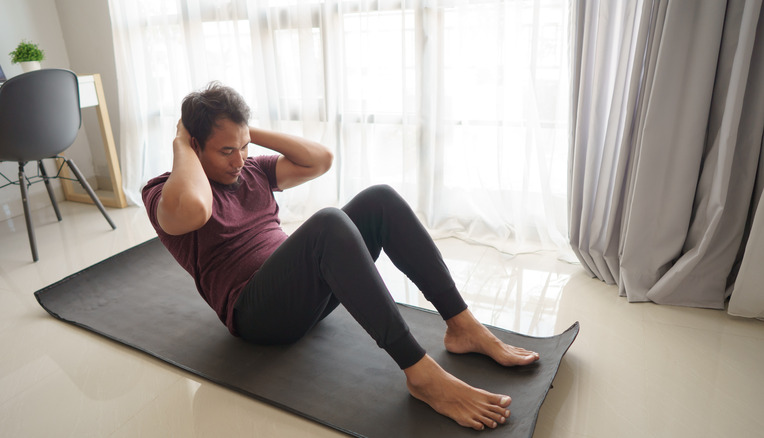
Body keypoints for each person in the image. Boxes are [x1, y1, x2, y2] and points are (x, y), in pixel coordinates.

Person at [142, 82, 540, 431]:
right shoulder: (165, 194)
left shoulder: (250, 170)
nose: (239, 160)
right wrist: (182, 141)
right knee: (328, 223)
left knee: (379, 199)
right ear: (194, 146)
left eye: (244, 147)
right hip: (257, 315)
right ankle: (421, 375)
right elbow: (196, 209)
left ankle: (462, 326)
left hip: (301, 295)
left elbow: (320, 160)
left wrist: (242, 132)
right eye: (226, 150)